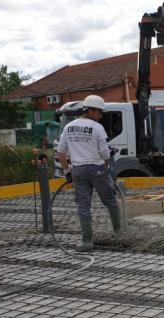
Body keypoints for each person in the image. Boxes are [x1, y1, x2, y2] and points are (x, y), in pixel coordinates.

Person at [56, 95, 122, 252]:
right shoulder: (97, 127)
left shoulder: (69, 127)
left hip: (78, 170)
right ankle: (119, 232)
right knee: (110, 200)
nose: (100, 116)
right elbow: (105, 153)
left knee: (83, 206)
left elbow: (60, 152)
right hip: (96, 169)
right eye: (99, 112)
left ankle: (86, 242)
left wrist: (67, 171)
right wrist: (105, 167)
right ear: (90, 110)